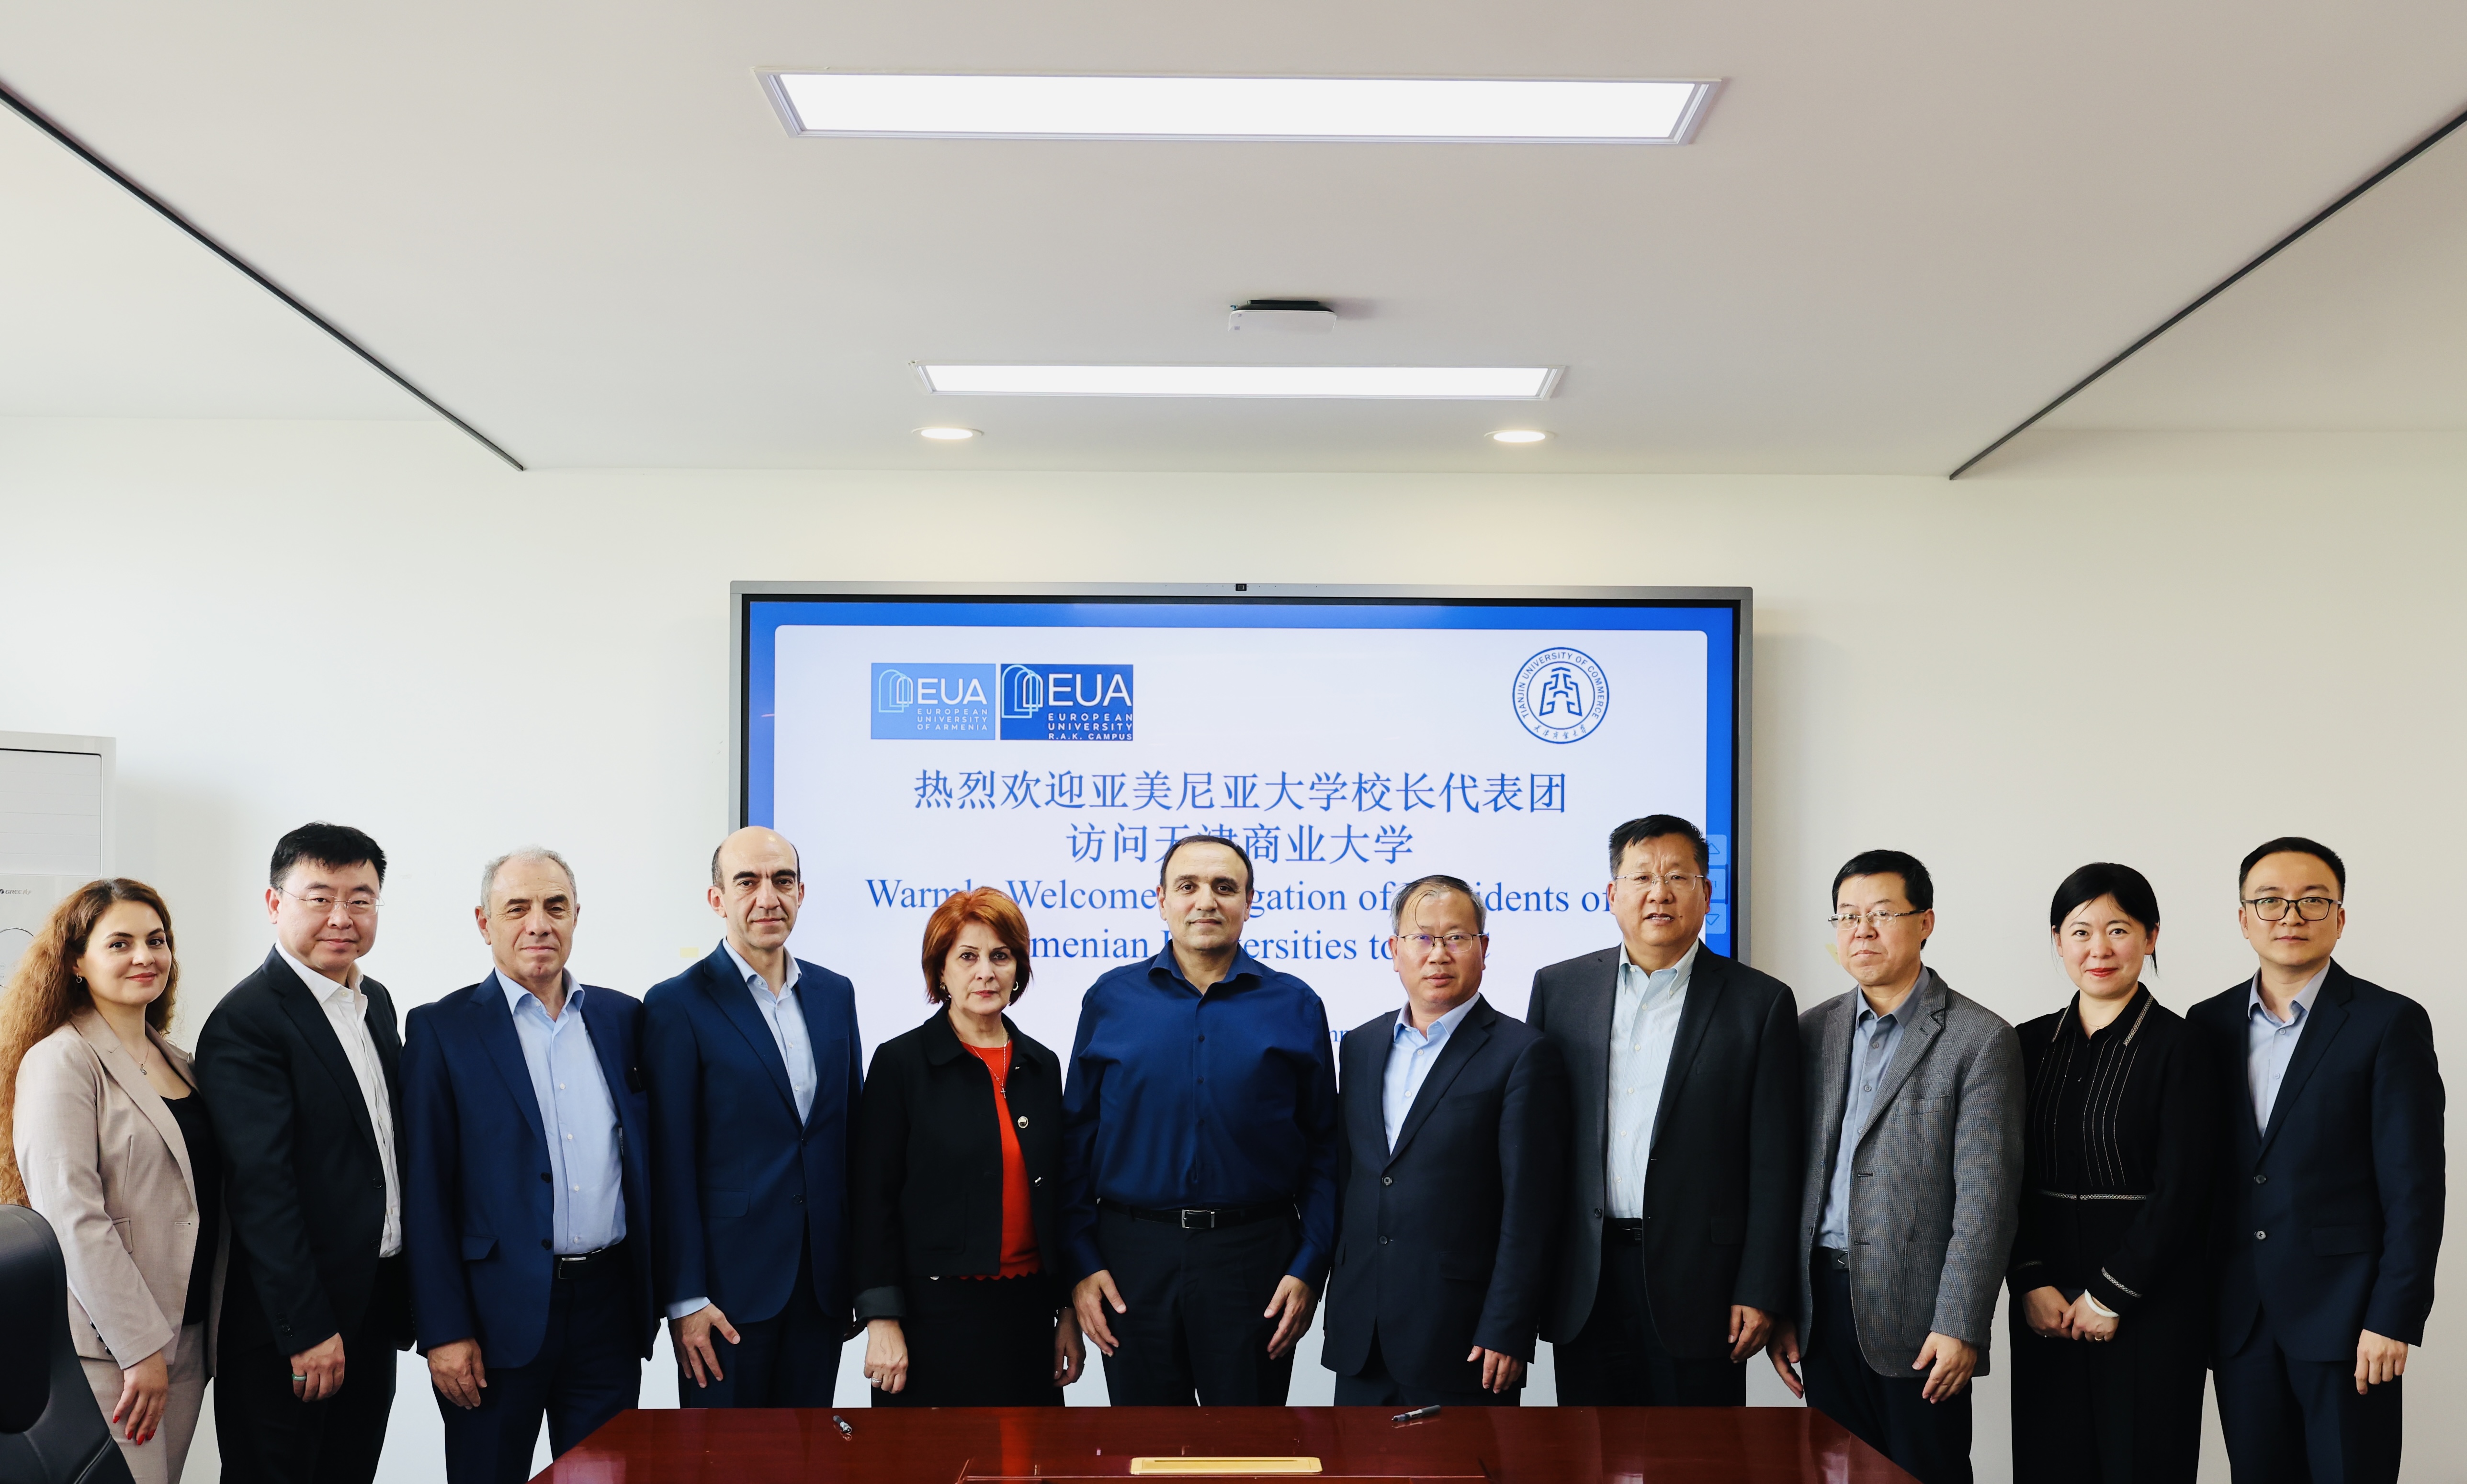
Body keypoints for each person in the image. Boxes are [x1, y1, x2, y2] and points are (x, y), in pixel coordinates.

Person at [2189, 837, 2443, 1484]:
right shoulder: (2205, 1024)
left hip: (2349, 1321)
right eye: (2270, 901)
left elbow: (2415, 1189)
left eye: (2312, 900)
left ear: (2340, 916)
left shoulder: (2388, 1022)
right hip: (2241, 1320)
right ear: (2243, 918)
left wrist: (2393, 1317)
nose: (2290, 916)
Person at [1528, 814, 1801, 1405]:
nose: (1659, 892)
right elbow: (1538, 1147)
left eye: (1678, 876)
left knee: (1698, 1451)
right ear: (1612, 893)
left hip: (1703, 1284)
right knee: (1587, 1449)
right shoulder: (1559, 990)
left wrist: (1760, 1287)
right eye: (1641, 877)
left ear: (1706, 893)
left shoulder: (1759, 1003)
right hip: (1586, 1278)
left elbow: (1775, 1164)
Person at [1766, 849, 2021, 1484]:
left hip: (1920, 1314)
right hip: (1821, 1304)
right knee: (1831, 1473)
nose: (1861, 931)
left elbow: (1986, 1201)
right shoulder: (1810, 1031)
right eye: (1847, 916)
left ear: (1925, 921)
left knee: (1923, 1472)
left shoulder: (1978, 1038)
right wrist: (1784, 1303)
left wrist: (1960, 1323)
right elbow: (1789, 1180)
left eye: (1882, 914)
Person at [402, 850, 657, 1483]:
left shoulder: (624, 1019)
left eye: (555, 907)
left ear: (576, 917)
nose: (538, 924)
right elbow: (425, 1192)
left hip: (607, 1311)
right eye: (517, 908)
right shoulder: (441, 1030)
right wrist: (444, 1330)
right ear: (484, 922)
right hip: (492, 1321)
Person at [1061, 833, 1340, 1406]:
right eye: (1188, 886)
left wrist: (1310, 1265)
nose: (1206, 901)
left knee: (1249, 1448)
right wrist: (1081, 1264)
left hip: (1255, 1260)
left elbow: (1325, 1149)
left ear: (1248, 902)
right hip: (1130, 1262)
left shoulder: (1296, 1005)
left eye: (1224, 887)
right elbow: (1074, 1141)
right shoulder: (1110, 999)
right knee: (1144, 1445)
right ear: (1162, 899)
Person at [197, 821, 413, 1484]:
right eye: (319, 898)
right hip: (289, 1328)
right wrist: (307, 1329)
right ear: (275, 903)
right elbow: (262, 1191)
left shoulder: (374, 1003)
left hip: (371, 1308)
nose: (342, 918)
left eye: (361, 899)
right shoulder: (247, 1022)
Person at [0, 879, 222, 1484]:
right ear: (77, 961)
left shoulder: (182, 1063)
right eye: (120, 943)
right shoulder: (62, 1059)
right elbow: (71, 1214)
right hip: (114, 1352)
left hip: (189, 1339)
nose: (144, 956)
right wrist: (138, 1347)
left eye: (157, 940)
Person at [1322, 874, 1568, 1406]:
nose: (1438, 954)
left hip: (1462, 1336)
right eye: (1422, 938)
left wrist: (1507, 1326)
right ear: (1394, 951)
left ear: (1483, 948)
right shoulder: (1361, 1045)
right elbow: (1353, 1179)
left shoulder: (1521, 1052)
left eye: (1456, 937)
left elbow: (1531, 1208)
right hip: (1362, 1330)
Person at [2006, 863, 2215, 1484]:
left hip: (2153, 1306)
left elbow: (2185, 1188)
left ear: (2151, 937)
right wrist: (2029, 1280)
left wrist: (2110, 1294)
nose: (2098, 949)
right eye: (2080, 931)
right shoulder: (2023, 1045)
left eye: (2118, 930)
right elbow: (2001, 1178)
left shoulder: (2185, 1046)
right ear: (2057, 941)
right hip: (2046, 1307)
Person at [645, 826, 863, 1408]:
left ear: (801, 892)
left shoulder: (835, 994)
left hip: (819, 1288)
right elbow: (670, 1161)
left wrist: (856, 1280)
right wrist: (685, 1298)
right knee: (723, 1455)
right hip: (724, 1297)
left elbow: (848, 1142)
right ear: (717, 899)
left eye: (782, 881)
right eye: (747, 882)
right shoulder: (676, 1004)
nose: (768, 897)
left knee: (809, 1451)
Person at [852, 888, 1084, 1405]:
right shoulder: (900, 1064)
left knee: (1030, 1451)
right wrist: (881, 1318)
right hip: (931, 1314)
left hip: (1028, 1312)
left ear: (1018, 969)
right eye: (968, 957)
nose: (986, 973)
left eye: (1000, 956)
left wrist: (1066, 1310)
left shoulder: (1042, 1065)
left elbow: (1060, 1199)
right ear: (941, 972)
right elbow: (872, 1201)